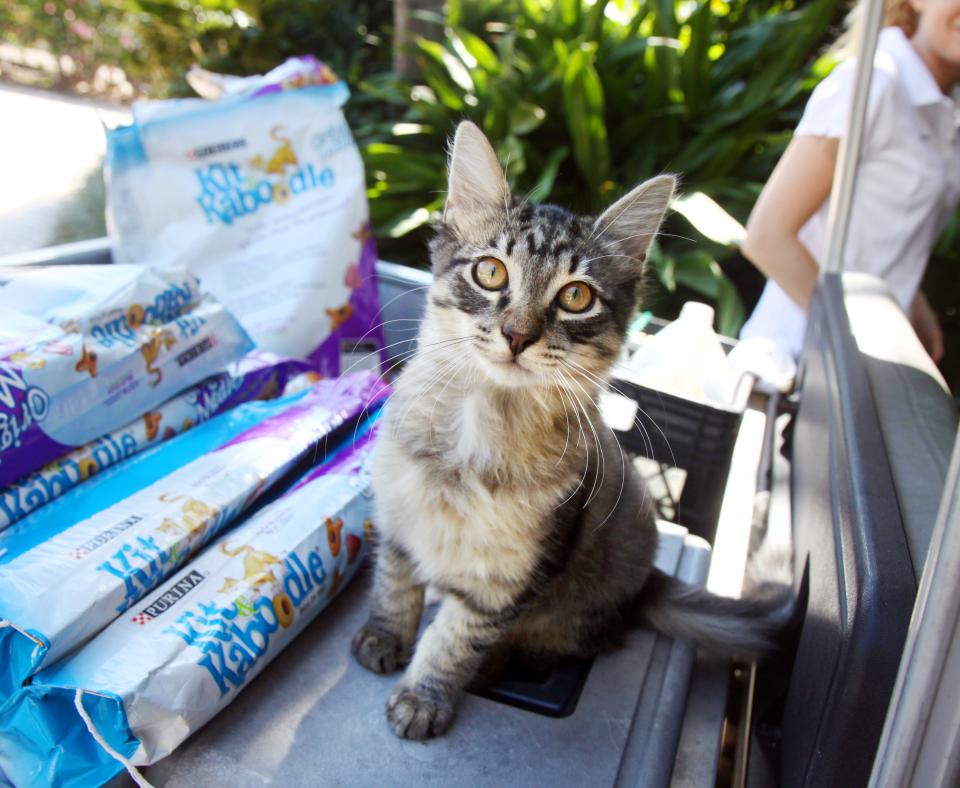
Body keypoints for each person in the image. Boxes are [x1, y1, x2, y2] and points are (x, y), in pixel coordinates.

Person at [740, 0, 960, 364]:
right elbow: (767, 238)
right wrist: (855, 346)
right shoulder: (873, 82)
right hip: (802, 363)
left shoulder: (945, 111)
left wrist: (912, 301)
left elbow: (882, 226)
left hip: (861, 360)